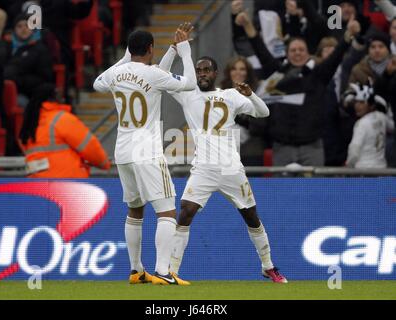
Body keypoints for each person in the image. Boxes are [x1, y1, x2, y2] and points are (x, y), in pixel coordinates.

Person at [159, 29, 287, 283]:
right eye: (198, 70)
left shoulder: (229, 95)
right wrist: (174, 49)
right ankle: (172, 271)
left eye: (206, 70)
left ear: (215, 73)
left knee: (251, 216)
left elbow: (263, 113)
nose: (202, 74)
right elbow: (161, 75)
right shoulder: (186, 93)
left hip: (231, 168)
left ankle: (268, 265)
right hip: (203, 168)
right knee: (185, 213)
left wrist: (250, 95)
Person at [93, 26, 197, 285]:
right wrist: (184, 51)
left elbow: (97, 83)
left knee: (135, 209)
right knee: (166, 212)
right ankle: (163, 272)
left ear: (129, 50)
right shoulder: (152, 75)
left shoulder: (117, 73)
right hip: (147, 150)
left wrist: (168, 51)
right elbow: (190, 83)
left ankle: (136, 270)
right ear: (151, 48)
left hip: (123, 151)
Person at [234, 10, 361, 166]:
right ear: (287, 54)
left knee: (312, 190)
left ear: (308, 54)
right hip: (282, 147)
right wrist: (247, 25)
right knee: (282, 190)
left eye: (301, 50)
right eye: (293, 50)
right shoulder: (277, 74)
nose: (297, 53)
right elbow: (262, 52)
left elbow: (335, 57)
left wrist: (348, 35)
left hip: (312, 147)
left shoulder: (319, 75)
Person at [20, 83, 111, 178]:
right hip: (67, 184)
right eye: (59, 94)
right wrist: (105, 163)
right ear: (53, 97)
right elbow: (91, 148)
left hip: (38, 186)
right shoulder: (62, 119)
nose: (63, 98)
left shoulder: (31, 124)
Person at [0, 13, 54, 108]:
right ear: (14, 30)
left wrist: (19, 81)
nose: (23, 29)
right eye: (19, 26)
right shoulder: (5, 46)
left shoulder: (40, 49)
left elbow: (45, 78)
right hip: (3, 89)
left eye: (27, 26)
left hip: (29, 93)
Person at [220, 56, 268, 166]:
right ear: (229, 72)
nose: (238, 72)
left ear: (248, 72)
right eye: (234, 69)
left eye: (242, 69)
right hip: (224, 149)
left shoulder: (257, 94)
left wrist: (245, 120)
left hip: (250, 150)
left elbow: (262, 123)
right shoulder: (220, 92)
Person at [344, 82, 394, 167]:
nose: (357, 106)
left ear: (371, 105)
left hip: (363, 172)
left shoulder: (361, 124)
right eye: (356, 102)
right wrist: (388, 112)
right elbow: (392, 127)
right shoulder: (382, 117)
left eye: (362, 103)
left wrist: (348, 165)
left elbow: (354, 149)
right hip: (381, 169)